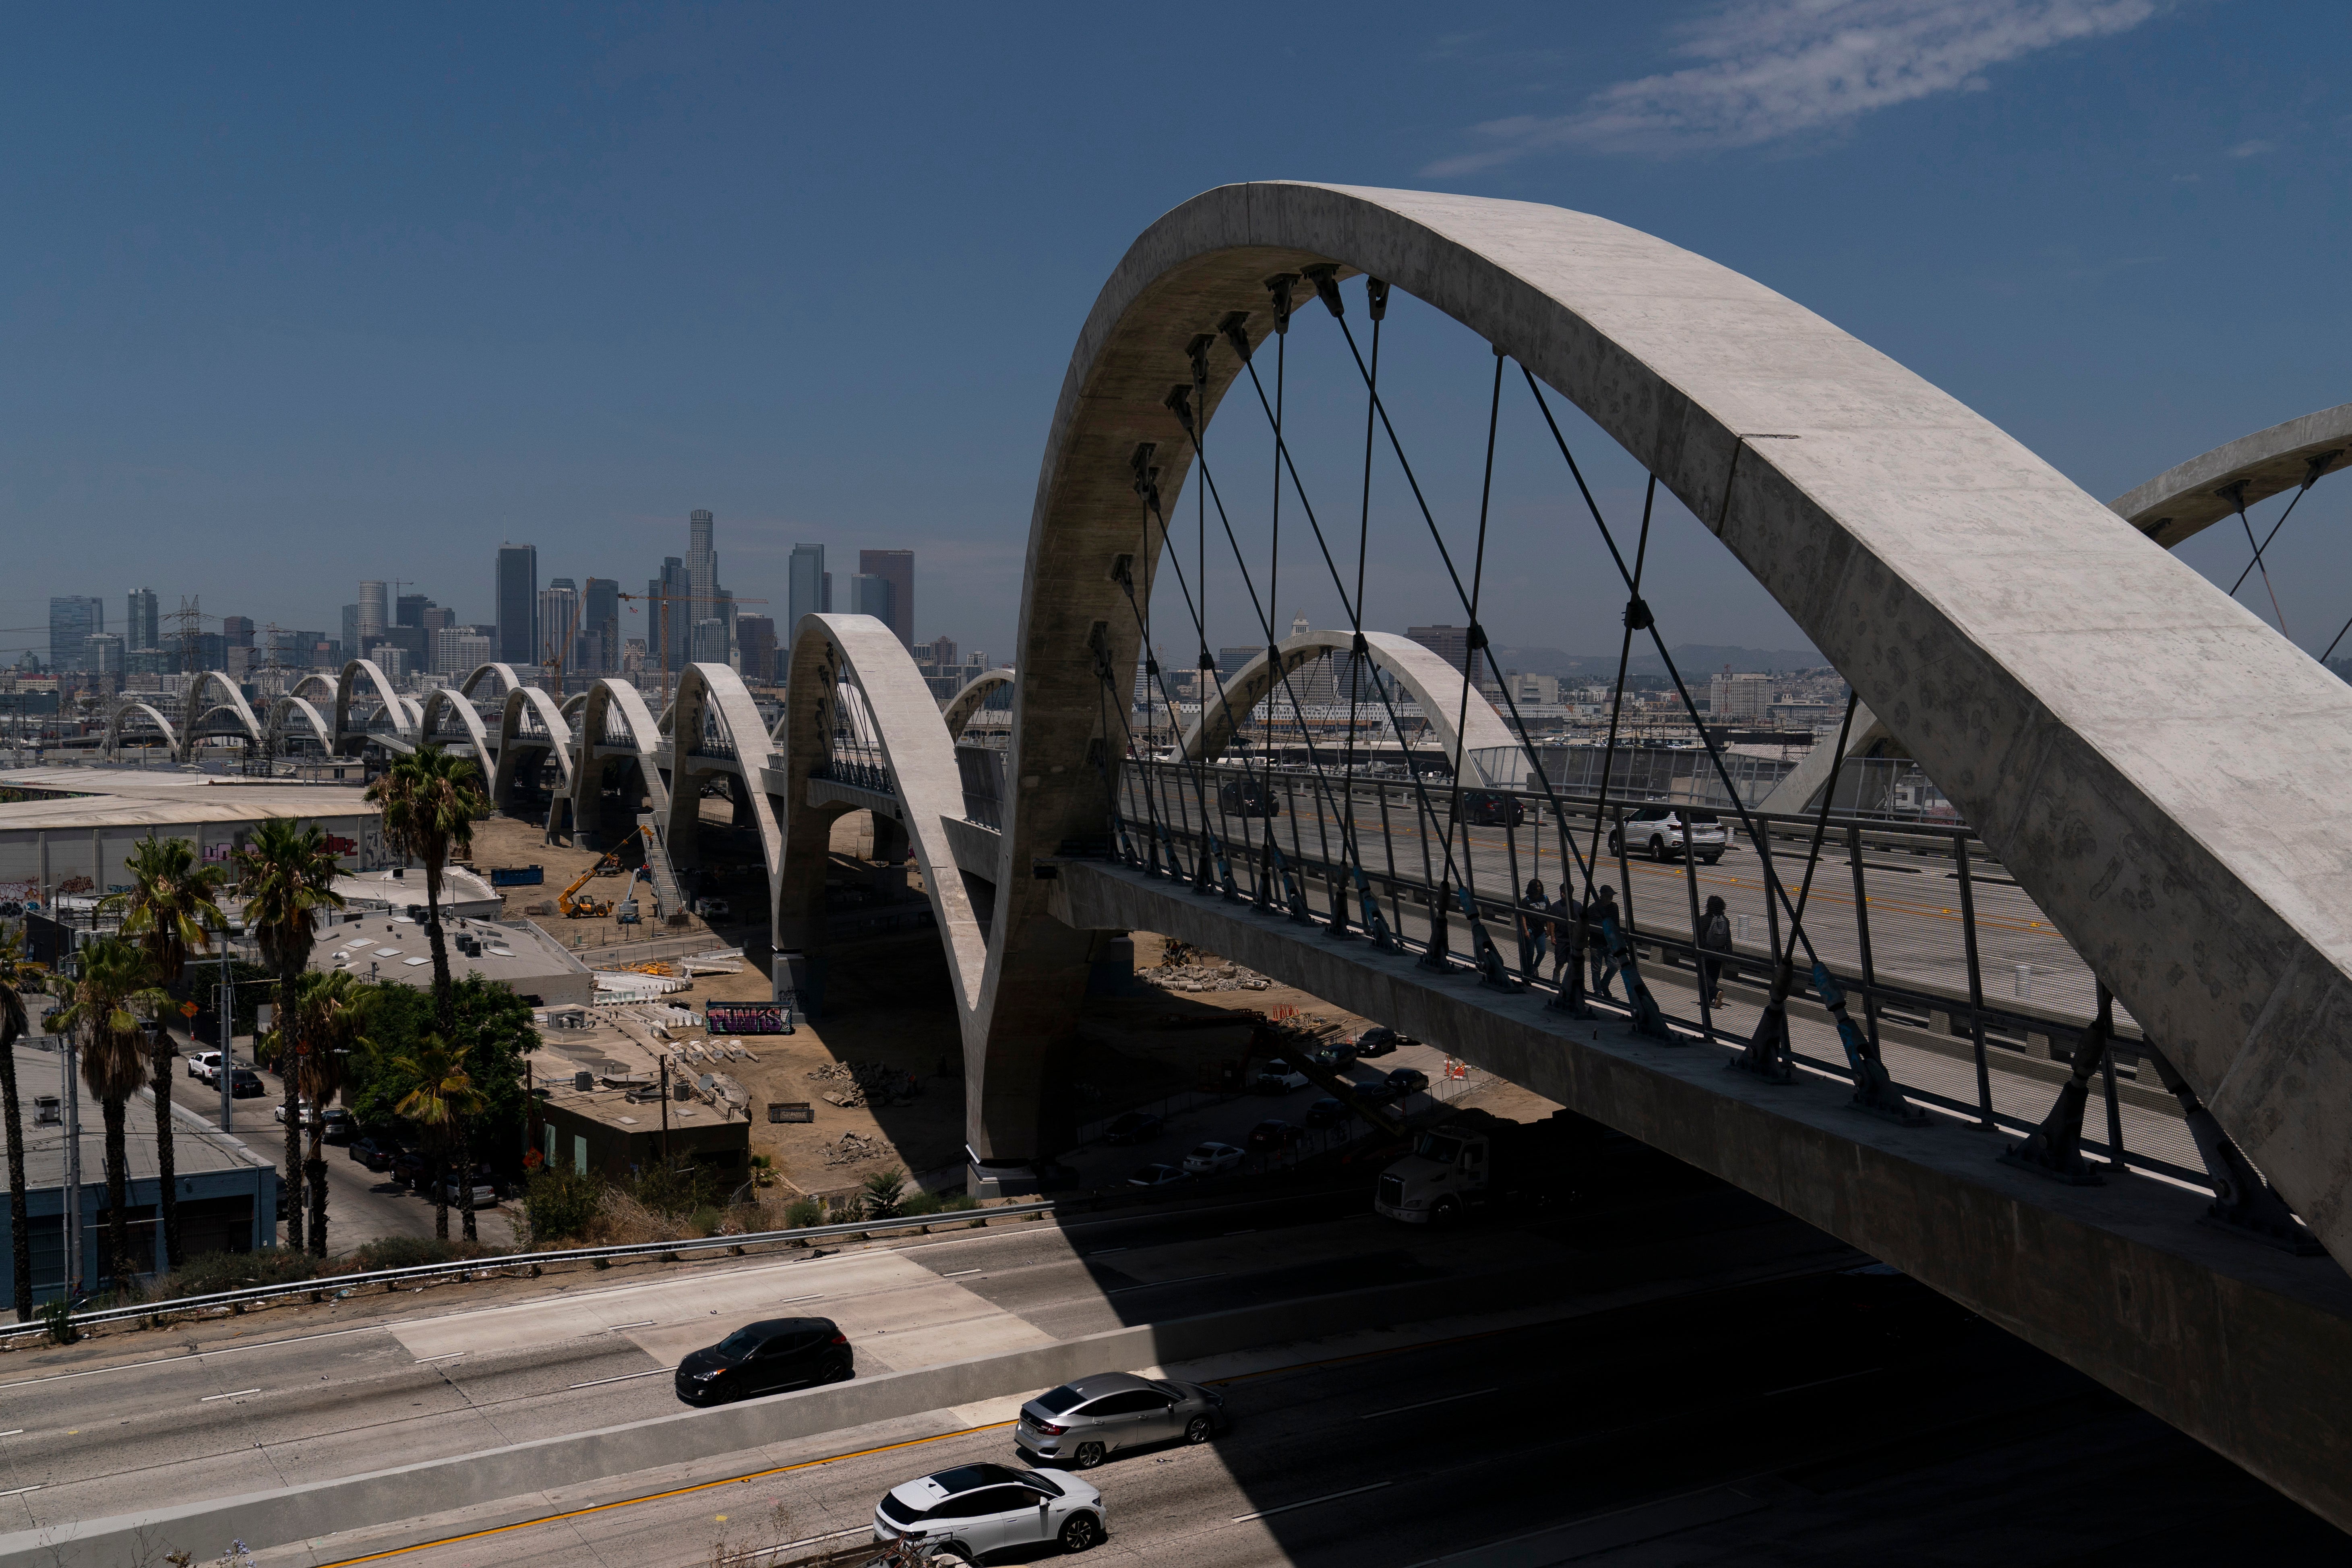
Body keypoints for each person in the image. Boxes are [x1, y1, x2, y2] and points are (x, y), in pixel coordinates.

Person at [1697, 893, 1734, 1007]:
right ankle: (1709, 1000)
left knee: (1705, 976)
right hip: (1720, 952)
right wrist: (1729, 954)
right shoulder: (1725, 921)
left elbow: (1700, 937)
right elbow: (1728, 939)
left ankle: (1716, 992)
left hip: (1706, 952)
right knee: (1714, 976)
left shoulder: (1703, 919)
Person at [1590, 884, 1624, 999]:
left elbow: (1616, 925)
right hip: (1597, 942)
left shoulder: (1614, 907)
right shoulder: (1593, 909)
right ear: (1602, 896)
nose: (1611, 899)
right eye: (1609, 896)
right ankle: (1598, 989)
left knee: (1614, 966)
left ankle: (1604, 984)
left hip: (1610, 943)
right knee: (1596, 968)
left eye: (1612, 897)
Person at [1518, 877, 1549, 977]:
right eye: (1537, 886)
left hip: (1541, 930)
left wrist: (1548, 929)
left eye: (1540, 886)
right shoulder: (1527, 901)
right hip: (1530, 929)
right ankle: (1529, 972)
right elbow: (1523, 916)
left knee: (1542, 951)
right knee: (1530, 953)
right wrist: (1526, 930)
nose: (1539, 888)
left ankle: (1535, 967)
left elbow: (1549, 915)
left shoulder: (1545, 899)